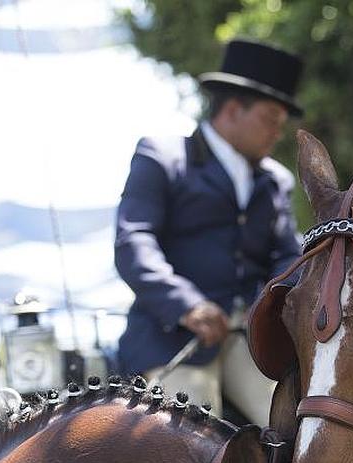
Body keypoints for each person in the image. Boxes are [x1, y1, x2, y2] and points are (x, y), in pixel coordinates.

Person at [114, 39, 303, 426]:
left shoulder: (276, 180)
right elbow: (134, 242)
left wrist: (269, 303)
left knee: (296, 428)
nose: (277, 133)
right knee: (199, 444)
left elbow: (288, 255)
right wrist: (186, 305)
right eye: (271, 119)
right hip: (174, 339)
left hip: (250, 343)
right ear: (234, 110)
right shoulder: (163, 158)